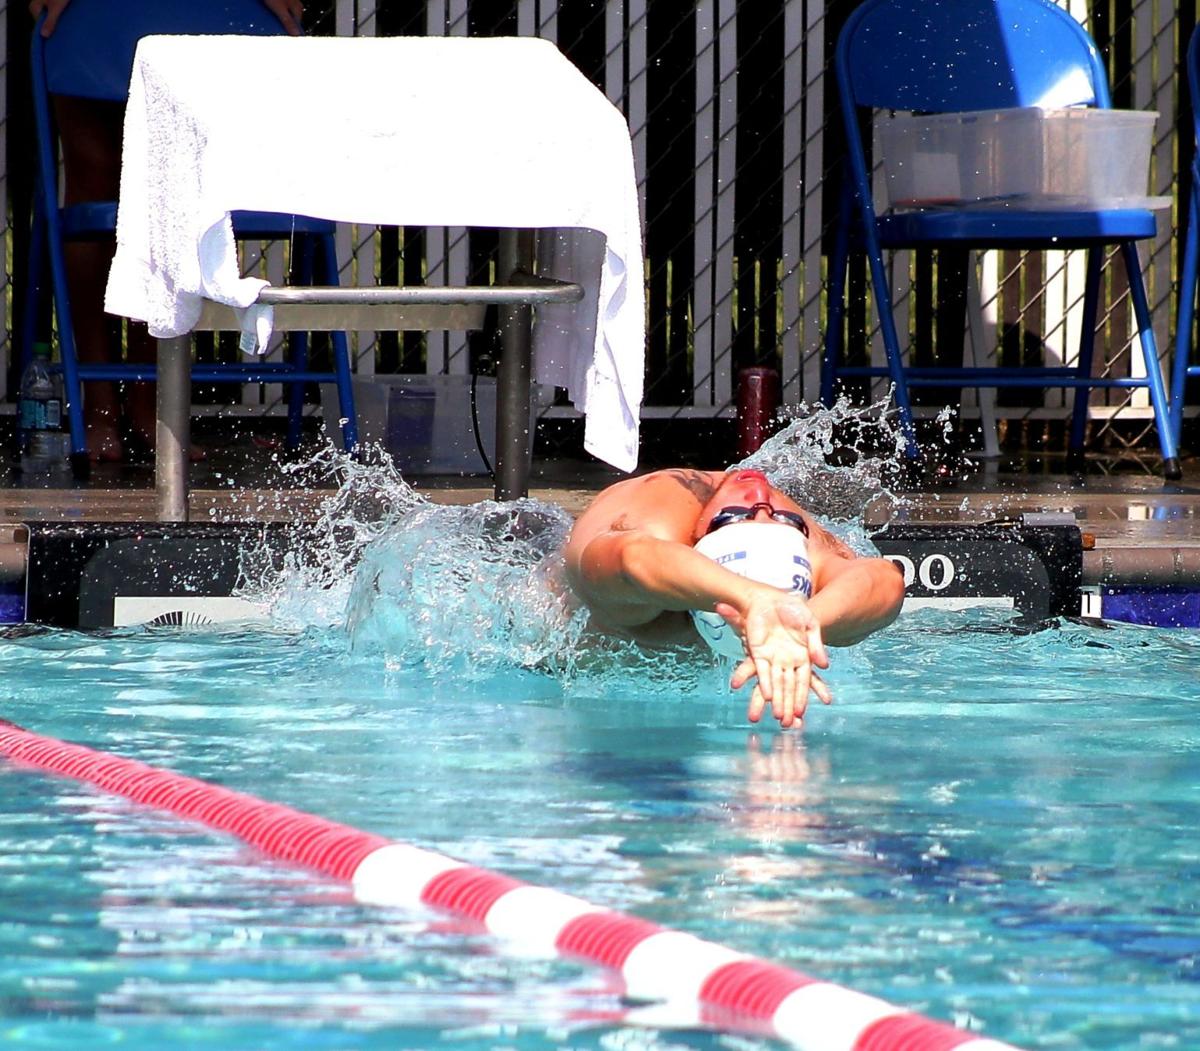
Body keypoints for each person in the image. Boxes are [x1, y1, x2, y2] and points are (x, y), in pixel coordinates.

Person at [29, 0, 304, 462]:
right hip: (99, 23)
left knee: (169, 188)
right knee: (104, 186)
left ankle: (145, 401)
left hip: (198, 21)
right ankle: (109, 402)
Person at [562, 467, 906, 729]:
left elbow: (633, 558)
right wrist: (774, 608)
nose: (762, 497)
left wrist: (788, 619)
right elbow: (886, 579)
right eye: (783, 520)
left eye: (735, 517)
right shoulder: (793, 541)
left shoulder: (638, 587)